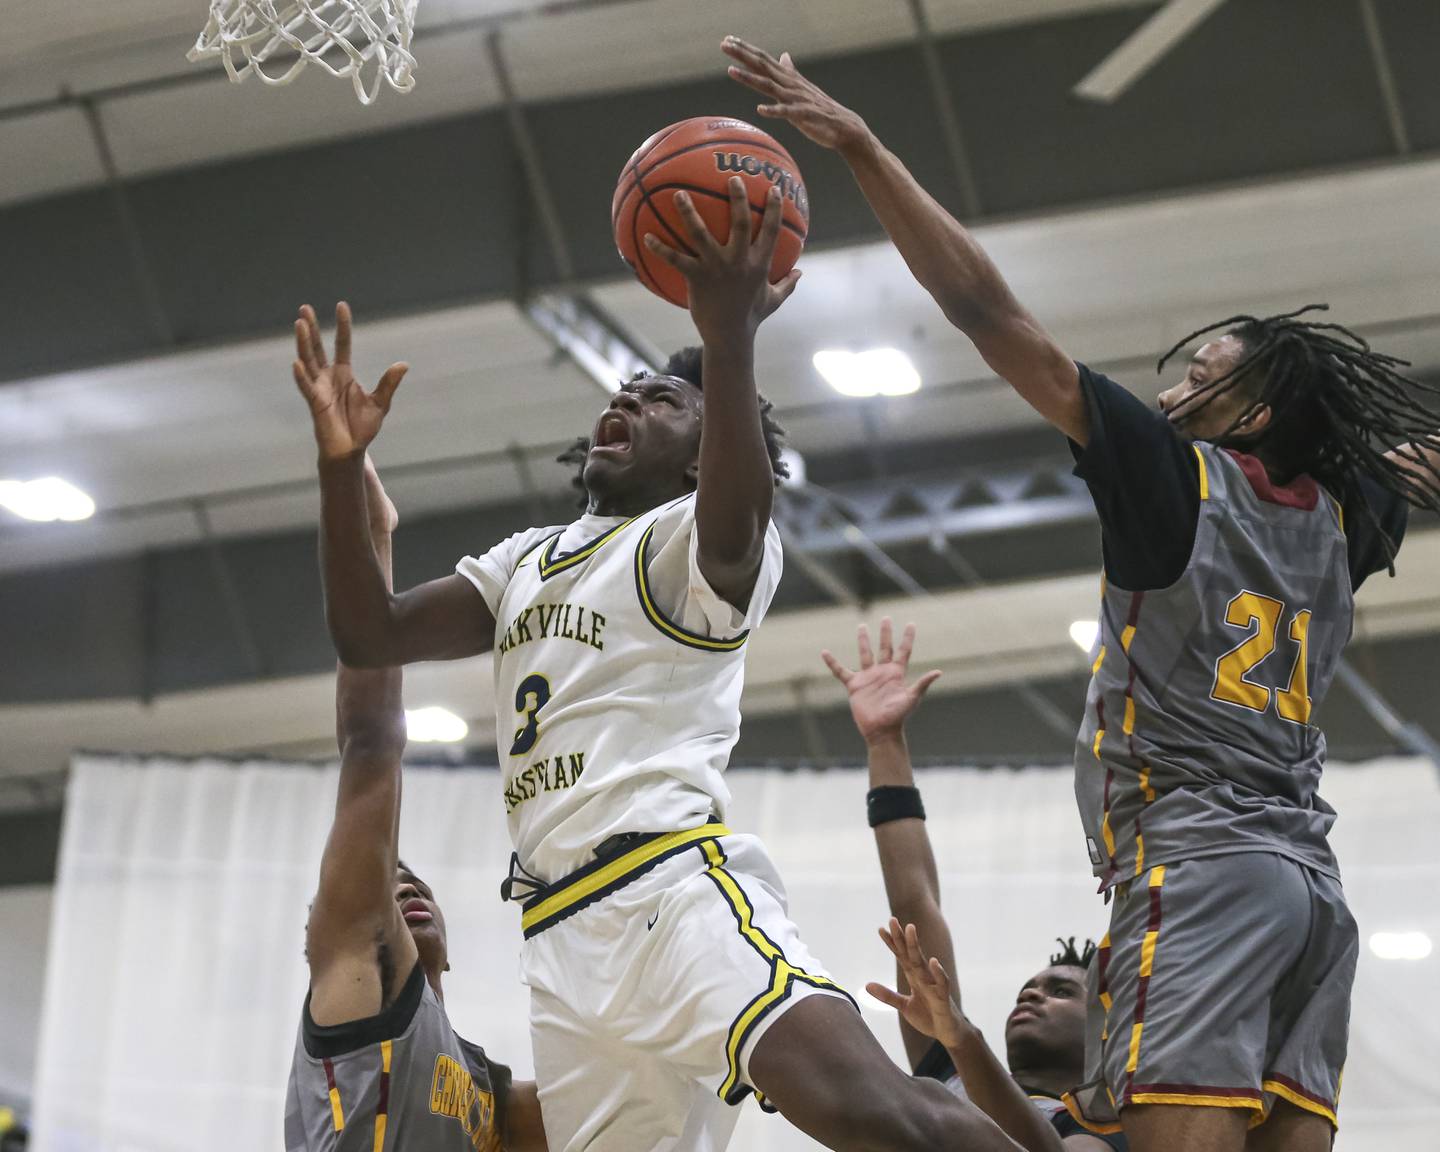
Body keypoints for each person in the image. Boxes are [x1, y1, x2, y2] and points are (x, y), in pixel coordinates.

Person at [724, 35, 1440, 1152]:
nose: (1171, 385)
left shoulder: (1175, 479)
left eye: (1203, 376)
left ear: (1249, 417)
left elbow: (986, 311)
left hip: (1201, 861)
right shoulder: (1355, 516)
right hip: (1315, 898)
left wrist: (864, 149)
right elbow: (1387, 465)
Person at [291, 182, 1021, 1152]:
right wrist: (341, 465)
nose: (629, 398)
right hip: (559, 937)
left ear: (698, 459)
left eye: (664, 400)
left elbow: (735, 514)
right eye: (624, 391)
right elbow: (368, 636)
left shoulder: (695, 543)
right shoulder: (520, 562)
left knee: (874, 1114)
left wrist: (728, 341)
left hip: (667, 891)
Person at [285, 456, 547, 1151]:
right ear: (320, 940)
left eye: (414, 883)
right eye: (386, 884)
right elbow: (370, 742)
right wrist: (368, 527)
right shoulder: (354, 978)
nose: (403, 885)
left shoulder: (484, 1089)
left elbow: (612, 1110)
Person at [824, 619, 1124, 1152]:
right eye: (1032, 987)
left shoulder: (1109, 1130)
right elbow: (914, 897)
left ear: (1105, 1034)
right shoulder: (948, 1073)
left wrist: (963, 1039)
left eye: (1060, 991)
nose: (1033, 993)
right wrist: (884, 743)